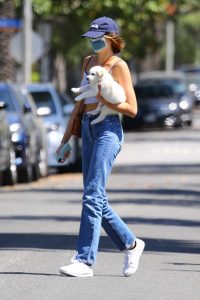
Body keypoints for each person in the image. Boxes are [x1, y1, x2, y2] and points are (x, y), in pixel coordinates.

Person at [56, 16, 145, 277]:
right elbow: (79, 105)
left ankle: (84, 260)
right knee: (95, 197)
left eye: (98, 38)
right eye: (91, 38)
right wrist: (65, 140)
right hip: (87, 127)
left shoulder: (119, 66)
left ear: (111, 39)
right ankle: (132, 243)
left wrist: (106, 98)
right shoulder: (87, 63)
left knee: (93, 195)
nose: (94, 42)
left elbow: (132, 108)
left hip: (108, 130)